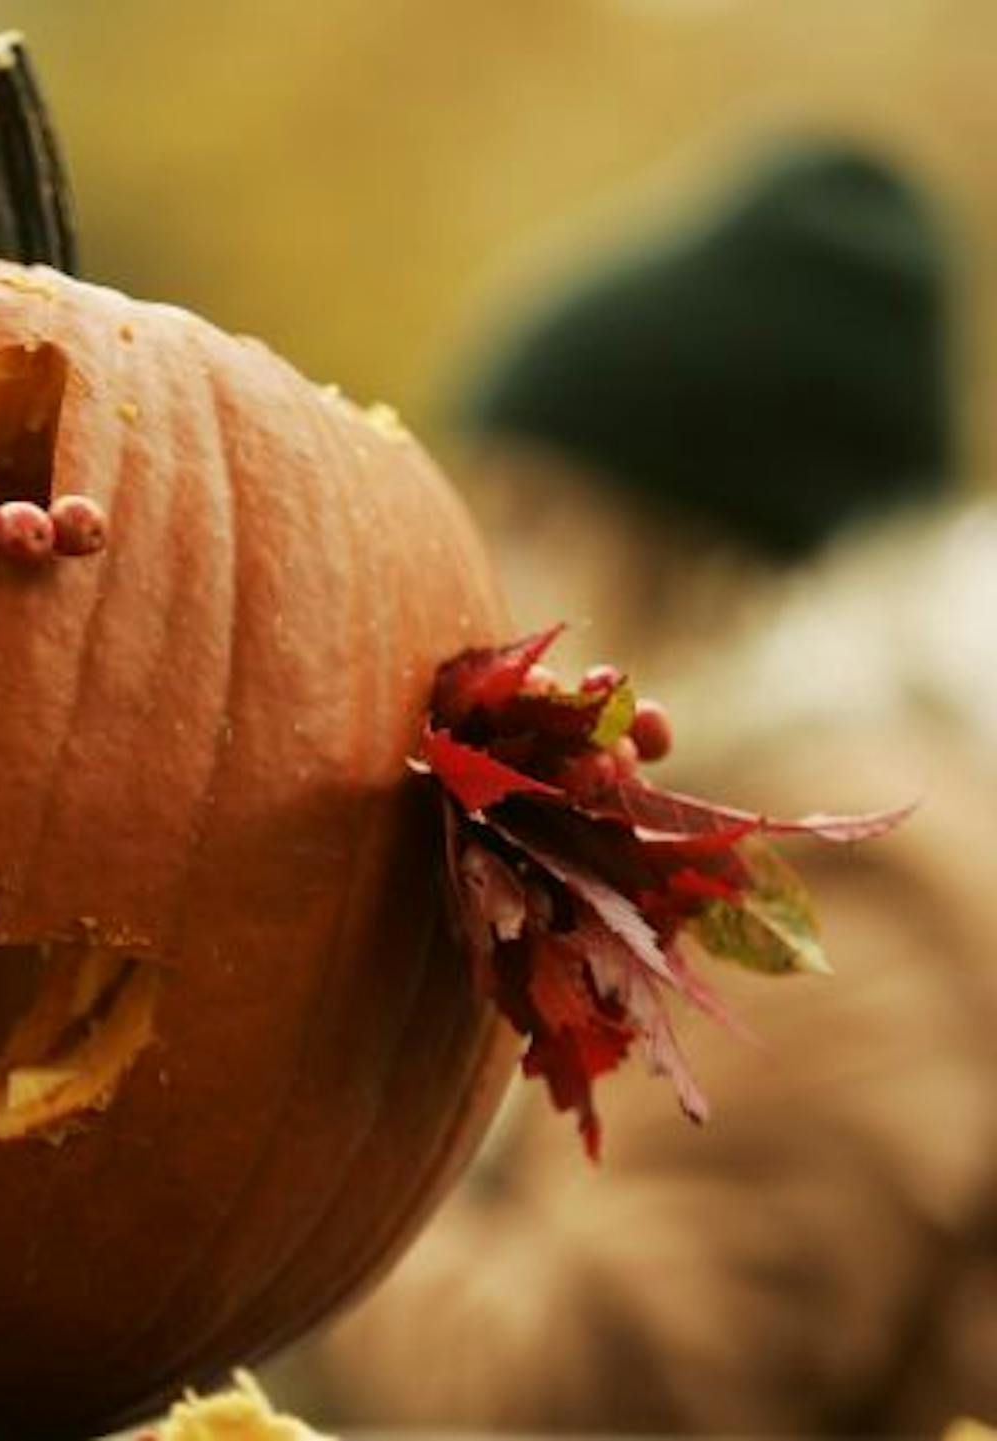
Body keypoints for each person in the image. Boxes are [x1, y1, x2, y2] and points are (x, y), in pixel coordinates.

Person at [277, 142, 997, 1433]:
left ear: (699, 557)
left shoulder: (820, 873)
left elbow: (602, 1389)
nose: (480, 566)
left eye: (536, 512)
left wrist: (267, 1192)